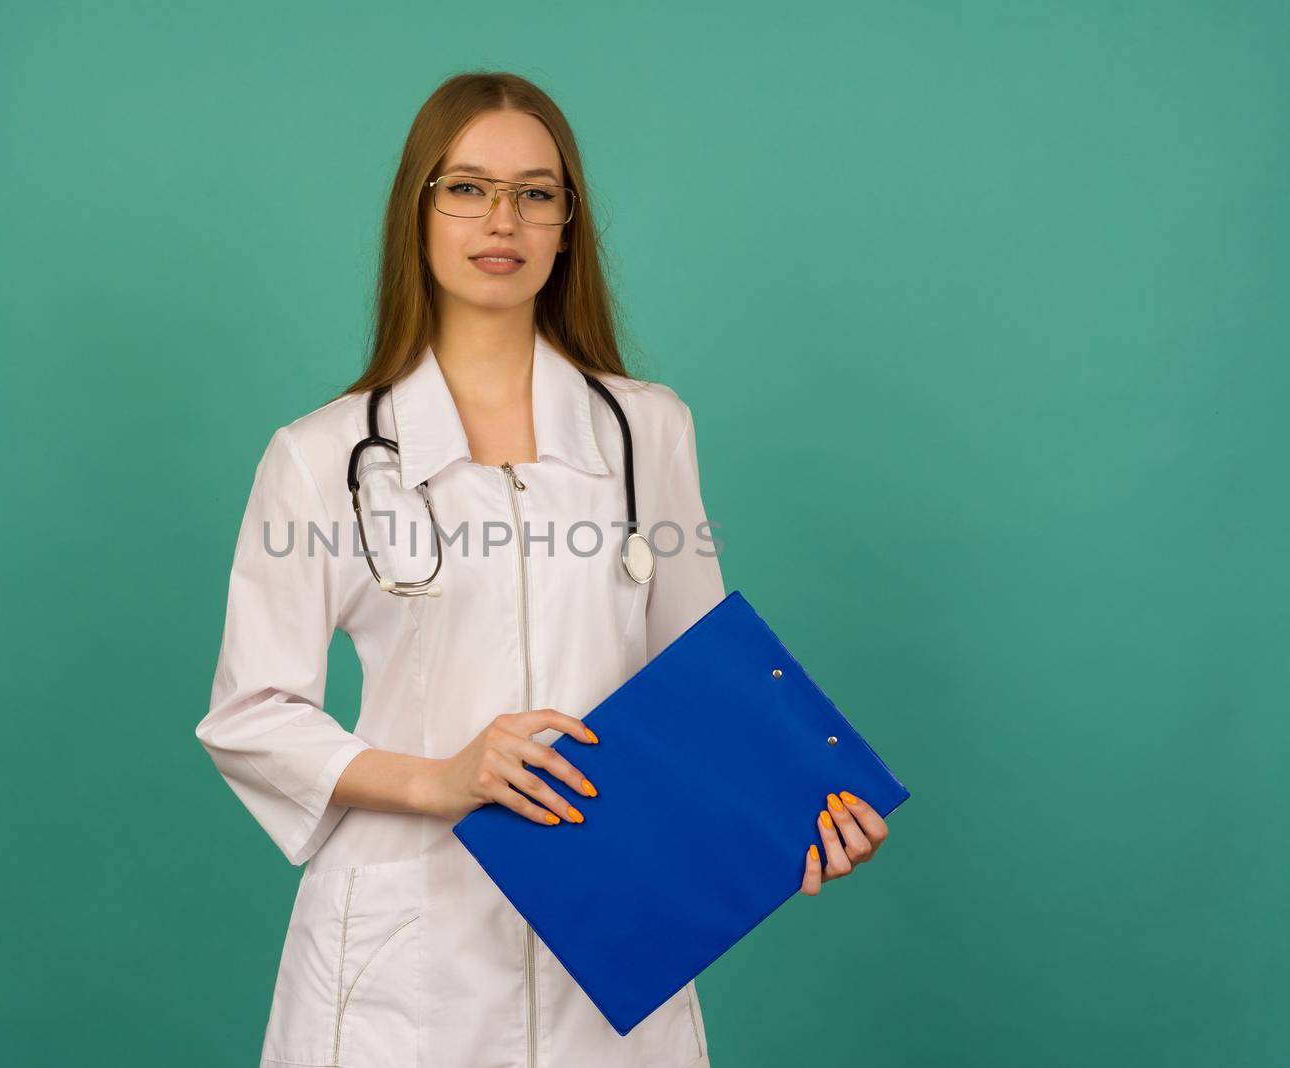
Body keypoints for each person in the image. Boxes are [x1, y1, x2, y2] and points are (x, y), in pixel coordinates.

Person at [195, 71, 889, 1068]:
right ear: (418, 212)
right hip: (406, 950)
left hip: (614, 933)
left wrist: (795, 813)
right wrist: (442, 778)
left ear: (567, 224)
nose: (501, 219)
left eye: (536, 192)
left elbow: (699, 683)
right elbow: (250, 713)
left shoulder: (647, 430)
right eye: (466, 187)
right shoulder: (320, 455)